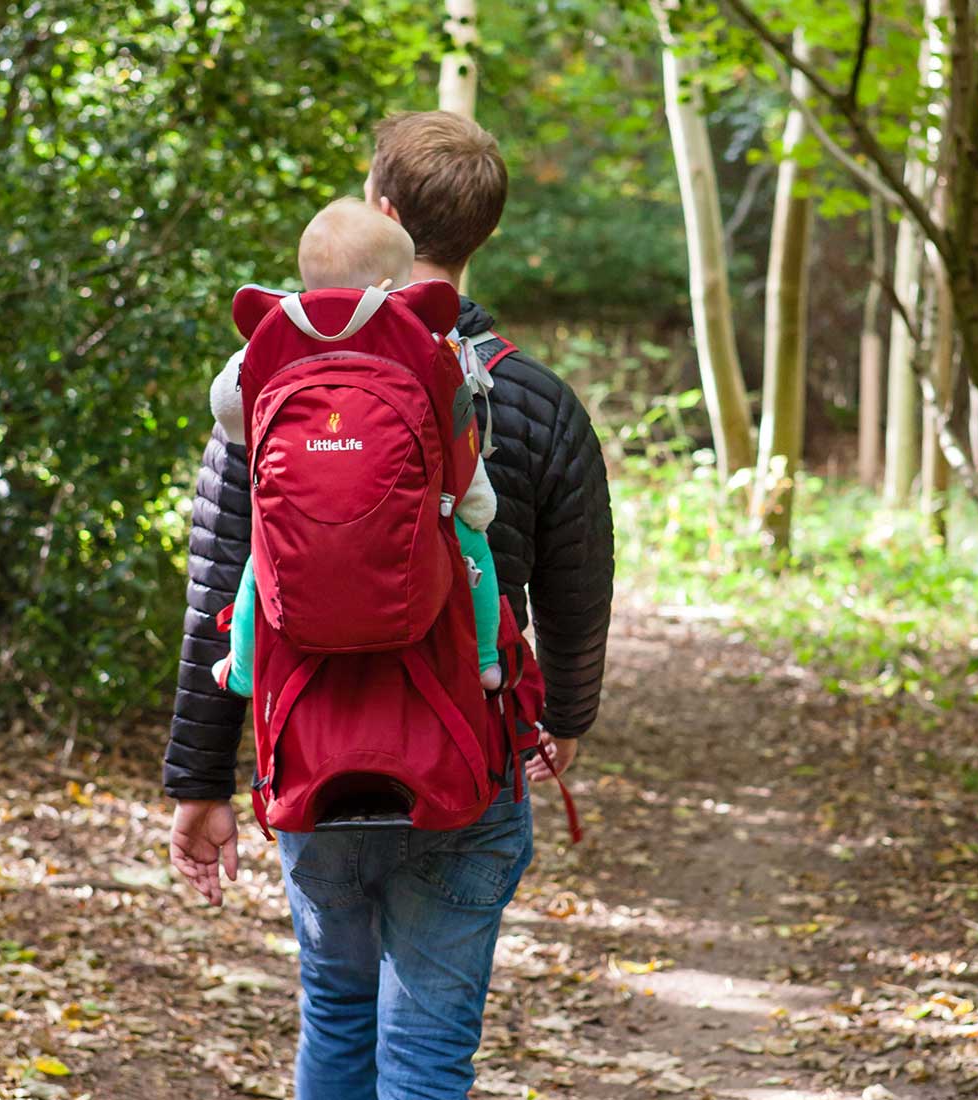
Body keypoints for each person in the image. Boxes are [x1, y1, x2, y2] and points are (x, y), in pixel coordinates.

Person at [165, 110, 614, 1100]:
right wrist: (565, 714)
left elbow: (220, 581)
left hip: (312, 754)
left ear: (381, 211)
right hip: (466, 748)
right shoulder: (531, 399)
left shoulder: (267, 383)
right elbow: (579, 583)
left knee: (336, 1019)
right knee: (424, 1053)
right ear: (480, 233)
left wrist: (199, 775)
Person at [204, 196, 501, 698]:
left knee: (260, 560)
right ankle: (485, 661)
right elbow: (456, 439)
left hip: (298, 524)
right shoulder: (424, 339)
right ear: (389, 286)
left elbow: (227, 410)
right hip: (408, 523)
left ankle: (244, 671)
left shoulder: (276, 337)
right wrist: (477, 506)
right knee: (472, 544)